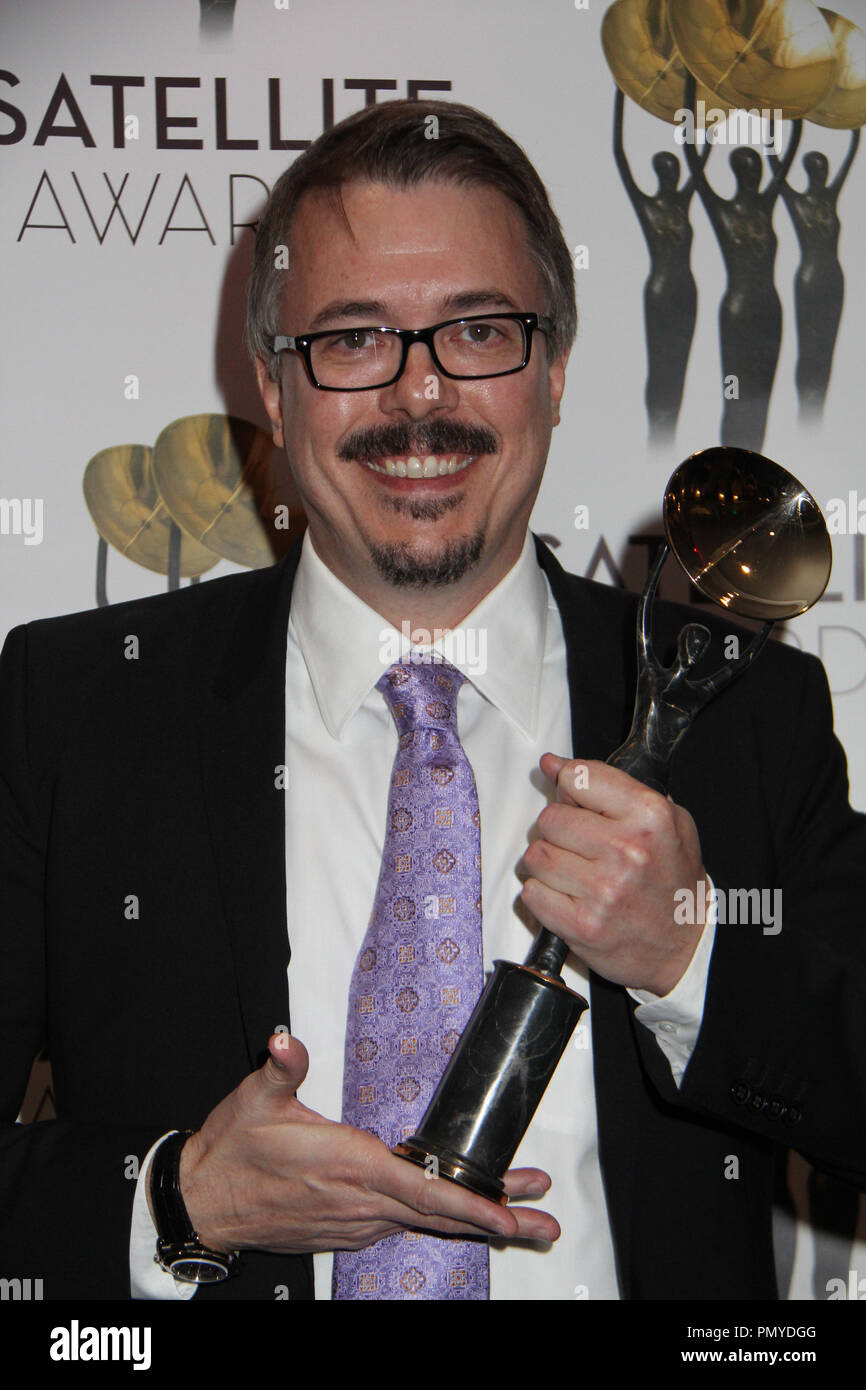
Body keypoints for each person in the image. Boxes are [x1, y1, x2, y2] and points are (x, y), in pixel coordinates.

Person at [1, 98, 864, 1302]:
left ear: (554, 368)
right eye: (352, 340)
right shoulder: (74, 707)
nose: (419, 397)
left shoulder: (746, 706)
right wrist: (177, 1198)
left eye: (478, 331)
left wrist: (691, 951)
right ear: (271, 381)